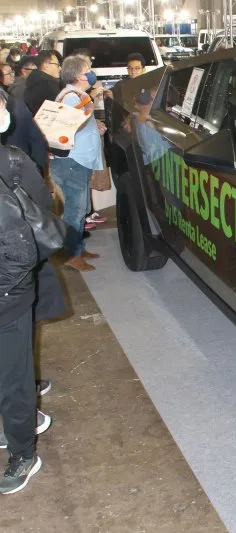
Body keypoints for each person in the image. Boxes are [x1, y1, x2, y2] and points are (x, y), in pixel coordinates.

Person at [0, 86, 54, 495]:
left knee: (14, 377)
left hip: (9, 292)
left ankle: (22, 451)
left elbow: (41, 219)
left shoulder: (14, 163)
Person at [49, 56, 105, 272]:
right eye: (88, 70)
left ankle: (78, 248)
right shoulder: (72, 97)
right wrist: (89, 113)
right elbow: (68, 127)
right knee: (75, 208)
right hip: (73, 160)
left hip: (78, 160)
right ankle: (71, 254)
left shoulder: (76, 95)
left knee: (80, 208)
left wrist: (95, 124)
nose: (91, 73)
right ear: (79, 76)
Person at [24, 50, 61, 115]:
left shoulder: (32, 80)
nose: (60, 68)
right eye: (57, 64)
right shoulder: (49, 84)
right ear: (45, 65)